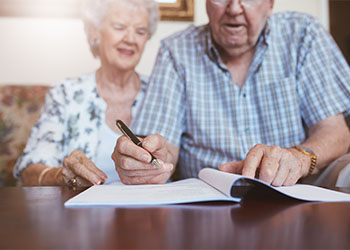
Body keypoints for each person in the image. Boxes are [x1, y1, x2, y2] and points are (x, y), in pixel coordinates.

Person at [113, 0, 350, 186]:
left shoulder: (303, 34)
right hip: (206, 209)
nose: (234, 8)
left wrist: (298, 159)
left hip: (294, 197)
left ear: (270, 3)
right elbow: (165, 149)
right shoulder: (175, 50)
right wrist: (148, 160)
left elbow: (335, 131)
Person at [13, 0, 159, 186]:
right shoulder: (66, 93)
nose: (131, 39)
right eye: (119, 27)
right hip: (83, 212)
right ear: (94, 32)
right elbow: (30, 171)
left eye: (140, 31)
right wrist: (61, 176)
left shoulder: (161, 91)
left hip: (147, 211)